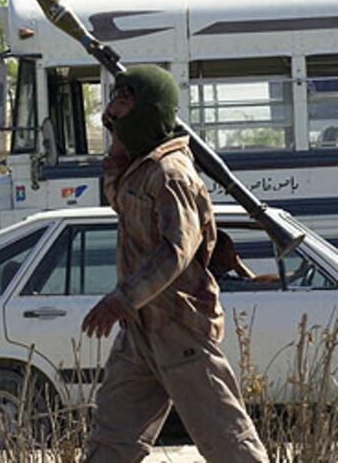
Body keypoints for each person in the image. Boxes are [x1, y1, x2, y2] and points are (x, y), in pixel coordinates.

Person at [82, 65, 269, 463]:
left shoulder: (172, 174)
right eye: (113, 100)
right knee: (111, 440)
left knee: (227, 441)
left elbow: (174, 252)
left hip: (180, 329)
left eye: (123, 101)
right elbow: (121, 204)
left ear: (149, 109)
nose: (112, 110)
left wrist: (120, 300)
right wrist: (117, 149)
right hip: (141, 330)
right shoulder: (141, 166)